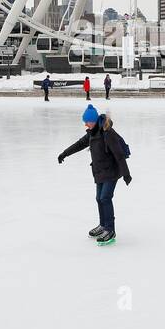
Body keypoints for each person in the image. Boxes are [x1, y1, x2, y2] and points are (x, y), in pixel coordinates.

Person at [58, 104, 131, 244]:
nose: (85, 124)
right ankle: (103, 225)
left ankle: (110, 229)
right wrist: (64, 153)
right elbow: (79, 144)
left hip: (111, 171)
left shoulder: (107, 132)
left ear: (93, 120)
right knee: (99, 198)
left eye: (87, 121)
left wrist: (126, 173)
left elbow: (119, 154)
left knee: (105, 198)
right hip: (99, 171)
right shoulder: (92, 132)